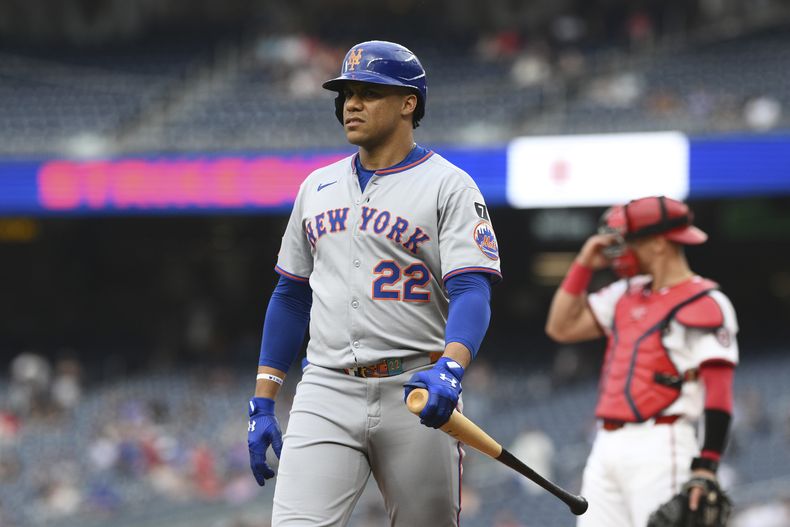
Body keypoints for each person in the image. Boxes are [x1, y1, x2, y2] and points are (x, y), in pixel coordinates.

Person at [247, 40, 502, 526]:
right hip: (326, 386)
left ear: (409, 103)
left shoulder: (449, 184)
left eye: (369, 92)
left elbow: (473, 290)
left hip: (416, 388)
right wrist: (263, 398)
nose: (351, 104)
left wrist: (452, 367)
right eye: (345, 94)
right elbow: (291, 294)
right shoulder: (316, 186)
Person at [545, 196, 738, 527]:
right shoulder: (626, 293)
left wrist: (706, 465)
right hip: (606, 444)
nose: (621, 251)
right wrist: (582, 265)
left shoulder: (707, 300)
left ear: (660, 244)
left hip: (662, 442)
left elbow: (719, 393)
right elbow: (560, 327)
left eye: (629, 241)